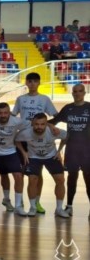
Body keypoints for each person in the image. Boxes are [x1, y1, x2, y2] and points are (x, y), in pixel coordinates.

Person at [12, 72, 57, 214]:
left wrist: (48, 126)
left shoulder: (44, 99)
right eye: (29, 81)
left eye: (35, 81)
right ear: (26, 83)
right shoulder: (20, 99)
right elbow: (13, 117)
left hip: (38, 139)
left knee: (38, 173)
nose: (32, 84)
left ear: (39, 83)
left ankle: (36, 202)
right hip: (24, 139)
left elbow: (55, 116)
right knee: (20, 172)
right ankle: (19, 203)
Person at [16, 113, 69, 218]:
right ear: (32, 123)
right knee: (32, 179)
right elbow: (17, 141)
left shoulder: (54, 131)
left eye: (42, 124)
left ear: (46, 124)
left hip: (51, 156)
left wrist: (59, 150)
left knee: (60, 179)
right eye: (36, 124)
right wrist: (24, 152)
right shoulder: (25, 133)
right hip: (33, 157)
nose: (39, 127)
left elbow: (66, 136)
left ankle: (59, 208)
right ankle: (32, 207)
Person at [49, 84, 90, 217]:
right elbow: (52, 122)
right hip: (71, 149)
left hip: (87, 149)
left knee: (88, 178)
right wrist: (49, 126)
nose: (77, 94)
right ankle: (69, 206)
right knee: (72, 178)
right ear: (72, 94)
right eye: (75, 92)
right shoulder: (68, 108)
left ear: (84, 92)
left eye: (80, 91)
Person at [0, 103, 29, 216]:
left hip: (10, 152)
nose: (3, 115)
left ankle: (18, 206)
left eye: (5, 113)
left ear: (9, 113)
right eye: (0, 113)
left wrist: (51, 126)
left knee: (18, 176)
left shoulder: (17, 121)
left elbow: (32, 124)